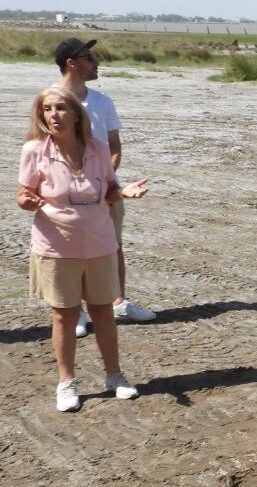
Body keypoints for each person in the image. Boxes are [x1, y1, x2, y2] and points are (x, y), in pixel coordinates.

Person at [17, 87, 150, 411]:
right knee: (64, 316)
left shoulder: (98, 148)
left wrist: (124, 192)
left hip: (100, 243)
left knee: (103, 311)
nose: (54, 115)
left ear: (77, 114)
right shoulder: (35, 150)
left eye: (61, 108)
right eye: (47, 109)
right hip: (56, 247)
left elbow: (107, 192)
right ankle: (66, 383)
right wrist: (27, 201)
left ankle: (114, 376)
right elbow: (22, 194)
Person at [54, 37, 156, 338]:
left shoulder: (102, 101)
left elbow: (114, 145)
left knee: (113, 246)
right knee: (72, 253)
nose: (96, 61)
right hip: (66, 194)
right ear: (72, 63)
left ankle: (118, 302)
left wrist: (104, 180)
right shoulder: (52, 102)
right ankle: (76, 312)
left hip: (108, 189)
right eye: (89, 57)